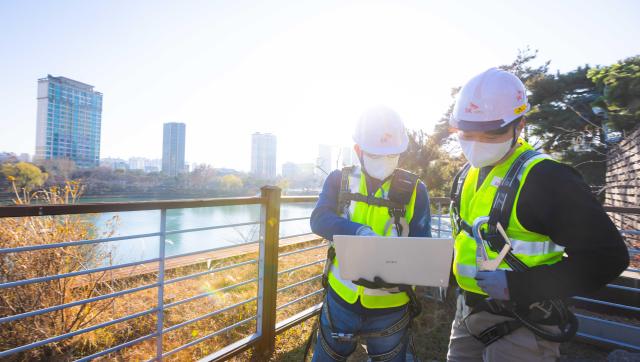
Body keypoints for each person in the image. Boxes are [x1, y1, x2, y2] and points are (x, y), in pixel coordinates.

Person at [446, 68, 630, 361]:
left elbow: (608, 257)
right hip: (467, 315)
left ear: (520, 124)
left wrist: (519, 286)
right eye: (467, 132)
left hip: (524, 323)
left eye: (492, 132)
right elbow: (469, 238)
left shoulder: (547, 179)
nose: (477, 141)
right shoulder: (466, 174)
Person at [309, 106, 432, 362]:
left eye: (391, 155)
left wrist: (399, 268)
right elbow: (319, 219)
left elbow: (423, 245)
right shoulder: (339, 180)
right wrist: (357, 231)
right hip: (341, 298)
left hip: (391, 306)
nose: (384, 160)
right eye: (376, 154)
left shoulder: (415, 190)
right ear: (358, 151)